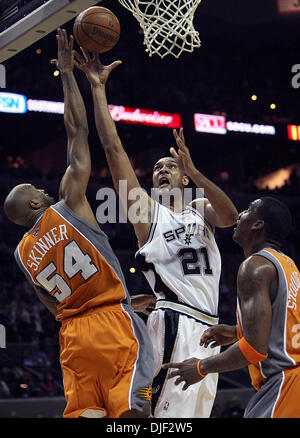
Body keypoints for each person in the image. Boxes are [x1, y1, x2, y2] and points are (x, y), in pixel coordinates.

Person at [73, 49, 238, 418]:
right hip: (171, 322)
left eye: (169, 167)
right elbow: (113, 149)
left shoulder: (201, 210)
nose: (161, 171)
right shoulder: (147, 212)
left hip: (209, 330)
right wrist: (98, 89)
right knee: (150, 413)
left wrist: (196, 173)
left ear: (183, 176)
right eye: (156, 169)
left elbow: (230, 218)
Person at [3, 29, 154, 419]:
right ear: (35, 203)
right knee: (134, 412)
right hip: (113, 327)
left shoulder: (21, 254)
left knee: (87, 413)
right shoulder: (67, 203)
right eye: (37, 188)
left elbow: (52, 304)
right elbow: (78, 132)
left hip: (72, 338)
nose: (43, 188)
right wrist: (69, 75)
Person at [163, 197, 300, 418]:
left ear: (258, 224)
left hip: (284, 383)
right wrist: (238, 332)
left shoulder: (254, 267)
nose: (240, 215)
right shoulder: (287, 264)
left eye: (247, 210)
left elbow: (255, 349)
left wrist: (201, 367)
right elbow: (286, 323)